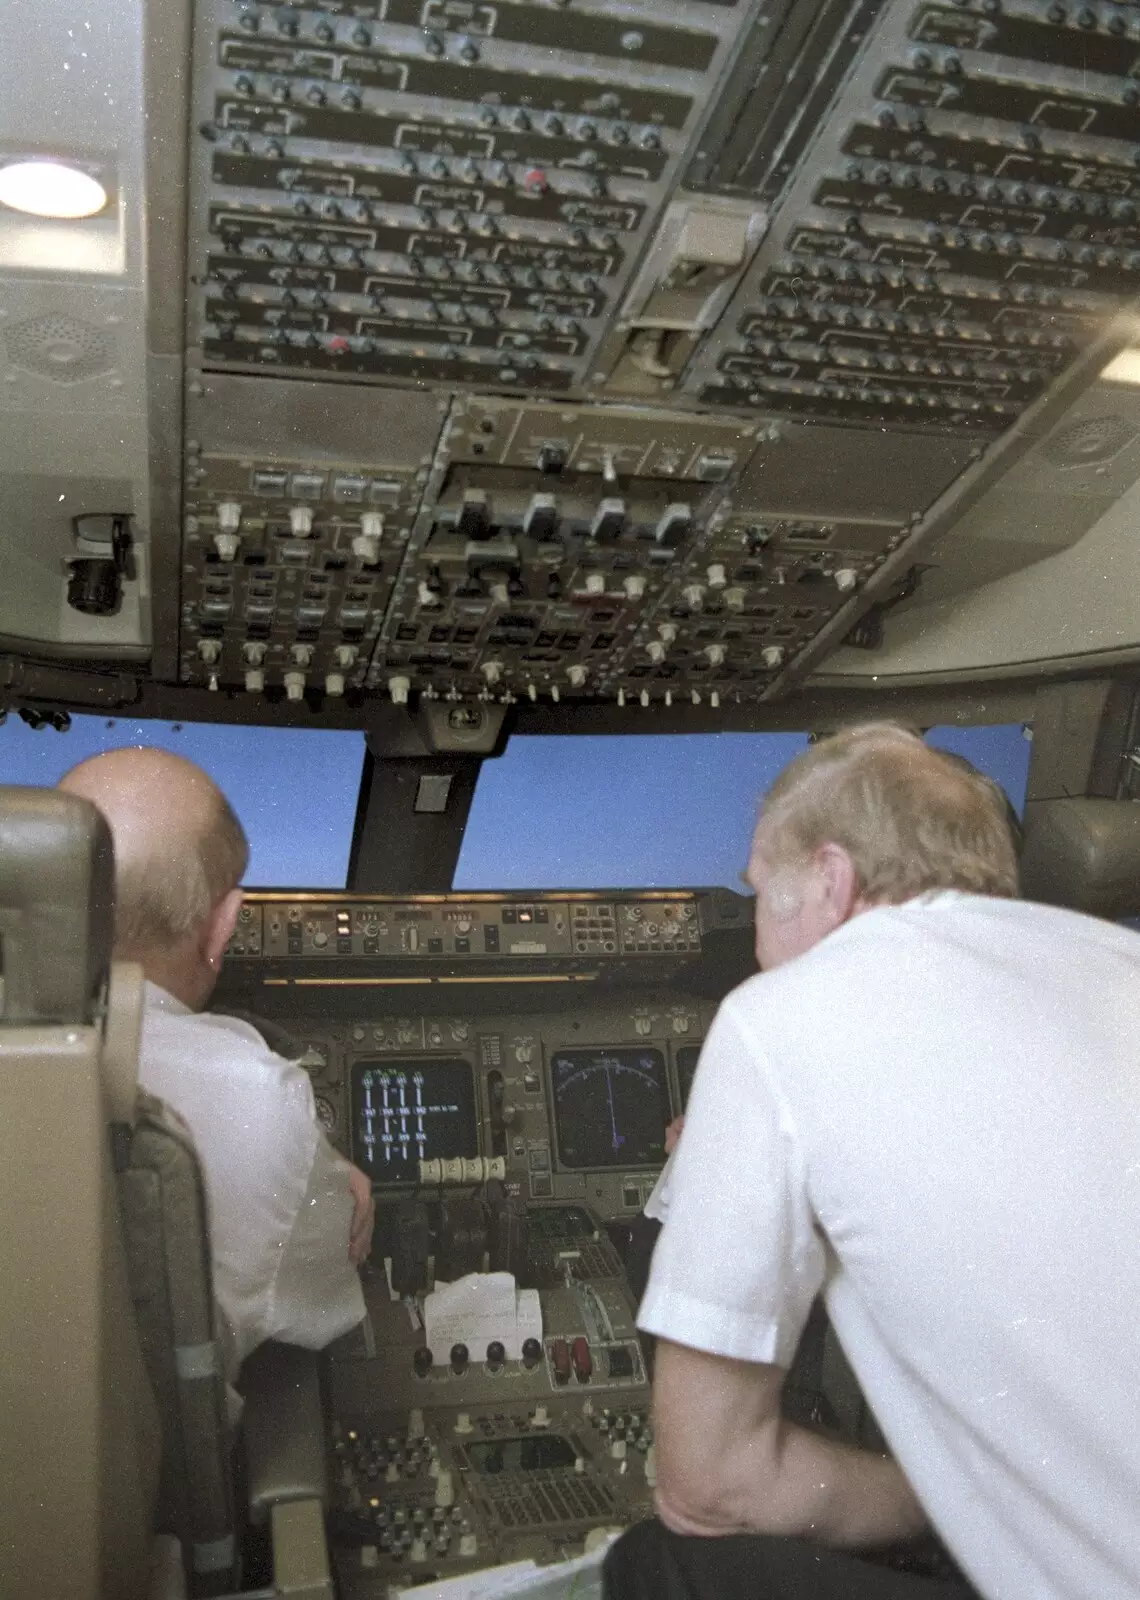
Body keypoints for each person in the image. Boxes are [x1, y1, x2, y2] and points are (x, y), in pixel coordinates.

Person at [604, 723, 1140, 1600]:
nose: (755, 942)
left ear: (830, 879)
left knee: (661, 1561)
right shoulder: (1125, 963)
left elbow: (709, 1487)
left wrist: (952, 1495)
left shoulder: (781, 1014)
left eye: (761, 893)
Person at [59, 747, 372, 1386]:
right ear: (224, 927)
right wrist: (332, 1186)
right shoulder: (258, 1095)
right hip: (166, 1479)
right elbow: (317, 1307)